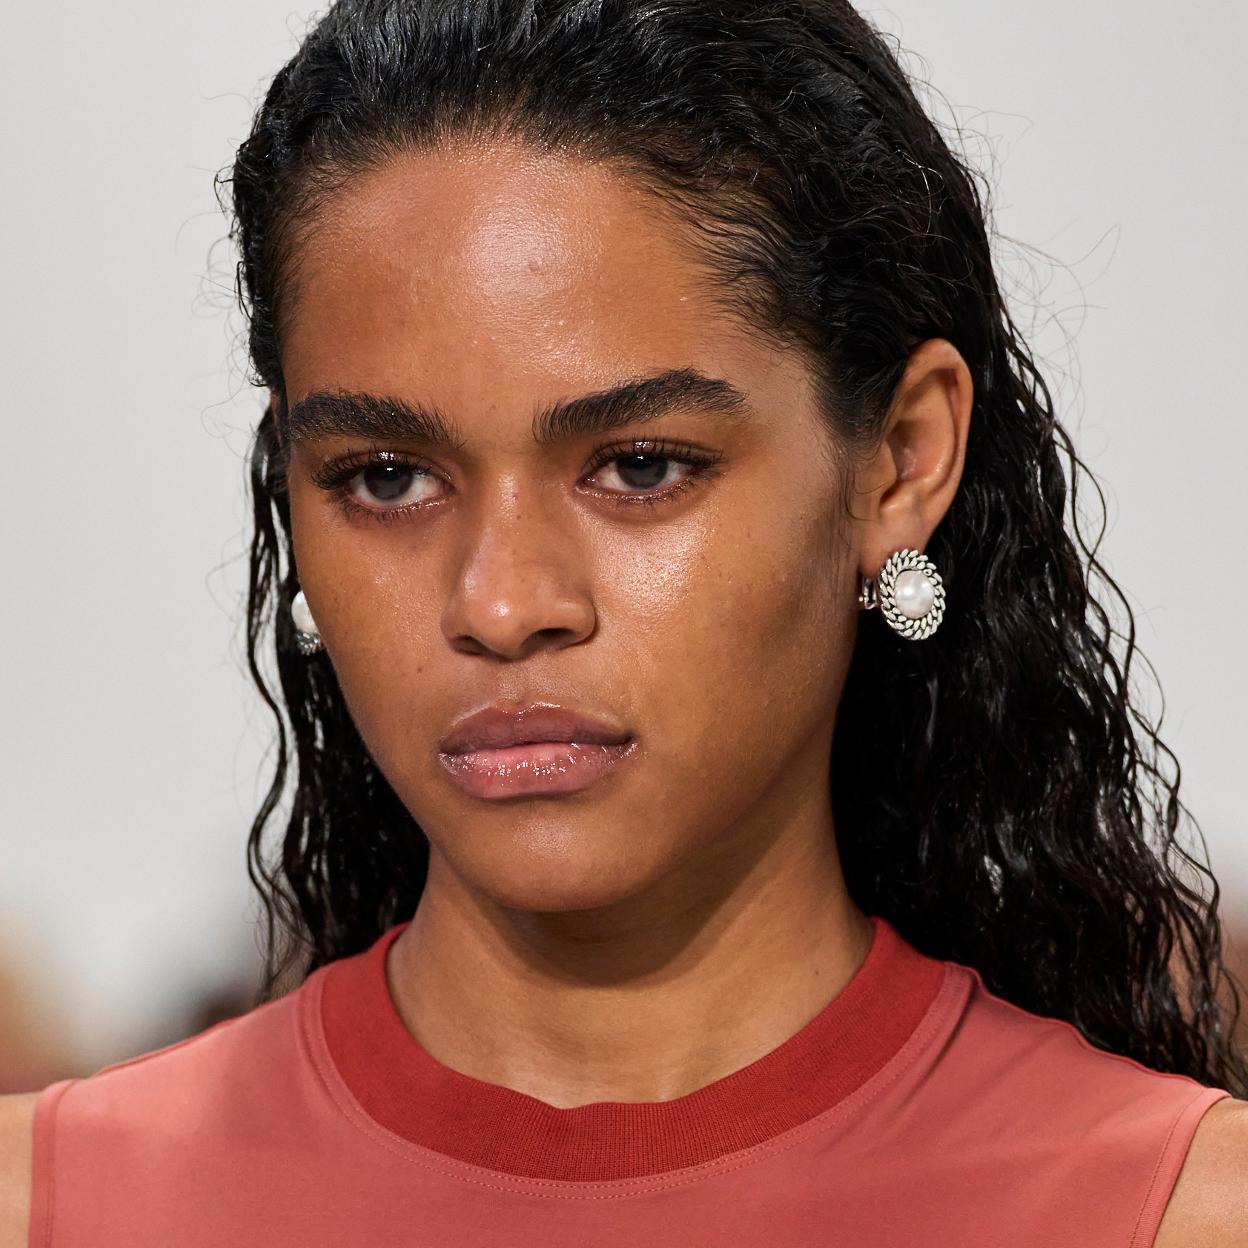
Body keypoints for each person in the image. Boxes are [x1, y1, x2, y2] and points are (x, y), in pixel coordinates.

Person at [3, 0, 1246, 1242]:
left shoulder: (1178, 1212)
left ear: (902, 460)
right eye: (387, 477)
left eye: (641, 467)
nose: (499, 604)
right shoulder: (51, 1205)